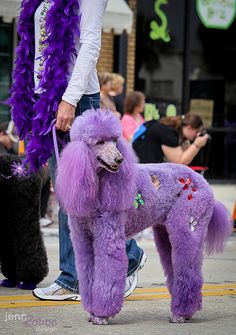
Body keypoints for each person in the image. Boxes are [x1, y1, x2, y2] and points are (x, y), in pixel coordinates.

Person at [9, 0, 145, 301]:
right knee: (71, 195)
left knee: (82, 195)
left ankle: (77, 275)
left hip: (76, 100)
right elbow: (36, 51)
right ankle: (119, 258)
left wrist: (69, 100)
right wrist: (31, 104)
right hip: (48, 101)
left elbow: (90, 43)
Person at [133, 113, 209, 165]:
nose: (197, 135)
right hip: (143, 168)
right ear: (189, 127)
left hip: (138, 163)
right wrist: (196, 145)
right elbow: (180, 162)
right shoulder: (169, 134)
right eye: (197, 132)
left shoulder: (166, 127)